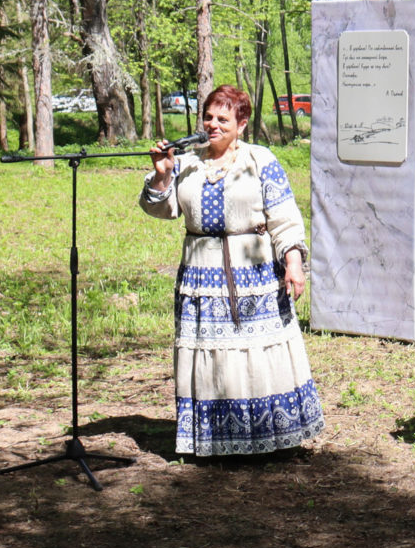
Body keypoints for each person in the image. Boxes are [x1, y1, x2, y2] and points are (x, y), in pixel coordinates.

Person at [139, 84, 325, 457]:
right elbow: (161, 208)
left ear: (241, 124)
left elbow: (284, 217)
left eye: (223, 119)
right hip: (200, 276)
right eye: (208, 117)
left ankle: (267, 437)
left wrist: (293, 263)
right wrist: (162, 175)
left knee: (253, 351)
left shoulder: (260, 160)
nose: (212, 125)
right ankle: (214, 440)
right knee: (211, 353)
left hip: (252, 274)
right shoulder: (189, 163)